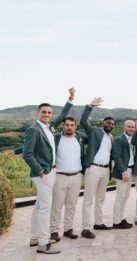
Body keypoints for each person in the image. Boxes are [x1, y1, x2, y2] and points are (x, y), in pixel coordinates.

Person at [22, 88, 75, 254]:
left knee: (39, 206)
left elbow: (61, 116)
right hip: (43, 174)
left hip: (50, 172)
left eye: (49, 112)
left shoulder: (49, 126)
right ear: (38, 113)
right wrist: (41, 171)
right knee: (45, 207)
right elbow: (27, 154)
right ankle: (43, 243)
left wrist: (70, 99)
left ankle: (34, 237)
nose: (47, 114)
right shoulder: (34, 129)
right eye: (44, 112)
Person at [80, 97, 115, 239]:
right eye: (108, 122)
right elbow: (83, 122)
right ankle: (85, 228)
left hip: (106, 171)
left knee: (100, 199)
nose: (110, 125)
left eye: (112, 123)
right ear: (103, 123)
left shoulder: (111, 137)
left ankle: (98, 222)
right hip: (93, 169)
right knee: (89, 199)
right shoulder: (95, 131)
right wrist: (89, 106)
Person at [49, 117, 84, 242]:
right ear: (63, 126)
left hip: (76, 176)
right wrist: (17, 151)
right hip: (60, 176)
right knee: (57, 206)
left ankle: (68, 229)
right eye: (67, 125)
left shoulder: (79, 137)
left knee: (71, 205)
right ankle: (53, 231)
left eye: (72, 125)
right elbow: (39, 146)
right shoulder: (56, 138)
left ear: (75, 126)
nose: (69, 127)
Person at [112, 119, 137, 229]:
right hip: (123, 171)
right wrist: (124, 171)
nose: (131, 129)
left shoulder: (132, 139)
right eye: (129, 127)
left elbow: (136, 144)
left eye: (133, 127)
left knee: (125, 196)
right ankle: (116, 221)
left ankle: (120, 218)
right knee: (120, 196)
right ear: (124, 128)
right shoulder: (119, 140)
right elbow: (117, 157)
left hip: (130, 170)